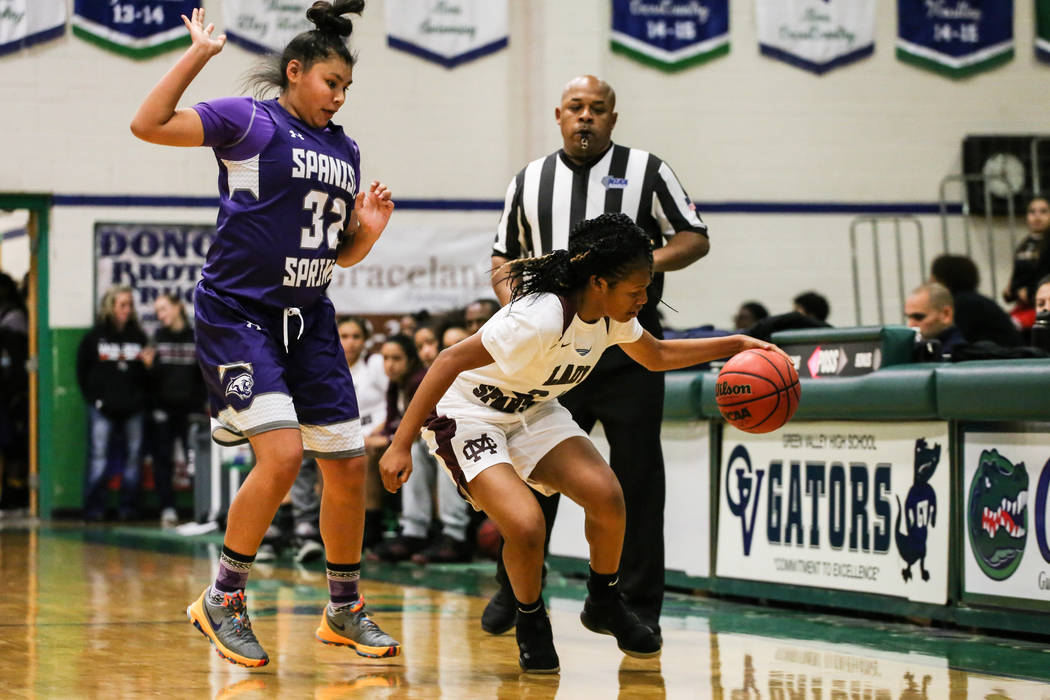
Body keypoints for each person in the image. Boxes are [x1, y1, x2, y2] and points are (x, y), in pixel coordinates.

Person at [381, 213, 786, 672]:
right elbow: (449, 360)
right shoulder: (538, 319)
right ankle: (532, 619)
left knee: (607, 496)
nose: (644, 299)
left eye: (647, 289)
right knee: (528, 526)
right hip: (470, 414)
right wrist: (400, 443)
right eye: (636, 290)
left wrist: (732, 345)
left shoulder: (611, 316)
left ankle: (603, 602)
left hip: (531, 410)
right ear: (598, 282)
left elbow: (655, 355)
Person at [129, 3, 400, 667]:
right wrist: (199, 55)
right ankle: (223, 597)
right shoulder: (251, 120)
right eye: (330, 82)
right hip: (238, 313)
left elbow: (334, 256)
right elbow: (147, 124)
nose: (338, 97)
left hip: (309, 320)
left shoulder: (346, 148)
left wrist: (366, 232)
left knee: (346, 467)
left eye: (347, 89)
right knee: (280, 458)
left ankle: (343, 609)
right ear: (296, 71)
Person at [487, 74, 710, 639]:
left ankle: (633, 604)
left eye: (598, 109)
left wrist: (635, 268)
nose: (586, 117)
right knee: (530, 470)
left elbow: (695, 235)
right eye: (576, 108)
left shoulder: (648, 171)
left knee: (637, 477)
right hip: (553, 345)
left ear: (613, 118)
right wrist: (522, 312)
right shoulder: (529, 180)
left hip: (628, 341)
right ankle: (514, 591)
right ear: (558, 115)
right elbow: (501, 259)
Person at [76, 286, 149, 521]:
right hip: (102, 408)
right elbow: (82, 370)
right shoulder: (95, 337)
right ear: (111, 307)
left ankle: (129, 509)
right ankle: (94, 509)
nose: (127, 310)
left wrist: (140, 396)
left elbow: (147, 374)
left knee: (134, 458)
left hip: (133, 408)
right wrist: (94, 399)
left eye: (130, 304)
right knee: (98, 457)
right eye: (122, 305)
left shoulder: (138, 336)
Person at [144, 292, 207, 526]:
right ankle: (168, 508)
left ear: (178, 307)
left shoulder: (196, 336)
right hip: (163, 409)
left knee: (196, 460)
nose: (160, 315)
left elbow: (203, 375)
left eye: (164, 309)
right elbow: (150, 380)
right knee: (163, 460)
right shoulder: (157, 338)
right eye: (157, 311)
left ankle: (203, 508)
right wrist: (149, 368)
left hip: (191, 408)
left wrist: (202, 403)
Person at [339, 316, 389, 547]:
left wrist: (378, 431)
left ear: (366, 340)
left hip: (378, 432)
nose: (350, 343)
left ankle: (372, 524)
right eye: (344, 336)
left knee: (364, 451)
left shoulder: (375, 363)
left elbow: (394, 401)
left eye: (356, 336)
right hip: (345, 436)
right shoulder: (330, 369)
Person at [930, 254, 1022, 348]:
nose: (930, 282)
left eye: (934, 279)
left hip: (999, 357)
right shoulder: (973, 300)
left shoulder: (964, 303)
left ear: (943, 279)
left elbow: (952, 339)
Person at [1002, 195, 1050, 330]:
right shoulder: (1025, 244)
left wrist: (1029, 292)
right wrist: (1011, 291)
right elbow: (1014, 279)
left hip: (1042, 306)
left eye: (1043, 211)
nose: (1037, 216)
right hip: (1023, 304)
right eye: (1032, 212)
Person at [904, 283, 966, 360]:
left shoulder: (956, 354)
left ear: (946, 314)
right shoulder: (922, 349)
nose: (910, 325)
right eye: (909, 317)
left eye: (919, 317)